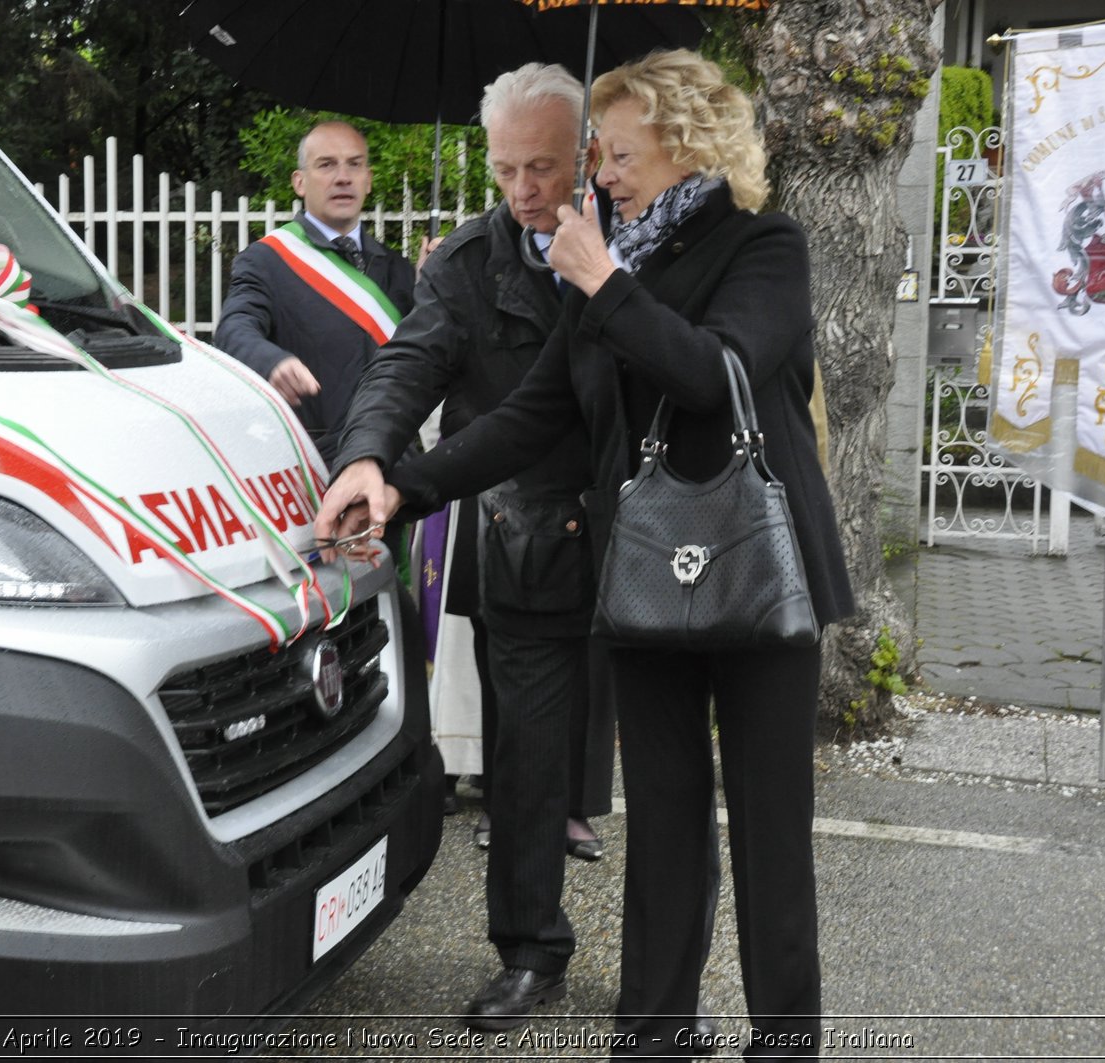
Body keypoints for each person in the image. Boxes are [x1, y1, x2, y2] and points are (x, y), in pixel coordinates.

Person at [319, 50, 855, 1060]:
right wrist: (400, 483)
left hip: (755, 575)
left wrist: (603, 282)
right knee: (660, 827)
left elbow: (715, 374)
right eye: (598, 155)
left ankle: (785, 1041)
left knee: (770, 837)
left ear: (686, 141)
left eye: (614, 153)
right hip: (644, 579)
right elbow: (533, 414)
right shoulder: (604, 267)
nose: (596, 175)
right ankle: (650, 1038)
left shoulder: (762, 246)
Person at [324, 63, 684, 1036]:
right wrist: (368, 454)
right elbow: (409, 362)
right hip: (522, 538)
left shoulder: (645, 240)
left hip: (651, 538)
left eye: (546, 166)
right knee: (525, 767)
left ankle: (661, 985)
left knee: (661, 769)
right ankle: (529, 950)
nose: (526, 189)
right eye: (506, 167)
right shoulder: (468, 260)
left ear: (590, 156)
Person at [215, 120, 417, 464]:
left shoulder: (399, 269)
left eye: (354, 164)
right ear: (299, 182)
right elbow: (234, 328)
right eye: (326, 165)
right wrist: (272, 361)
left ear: (368, 180)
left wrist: (437, 285)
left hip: (394, 460)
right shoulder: (267, 260)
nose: (343, 177)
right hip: (315, 463)